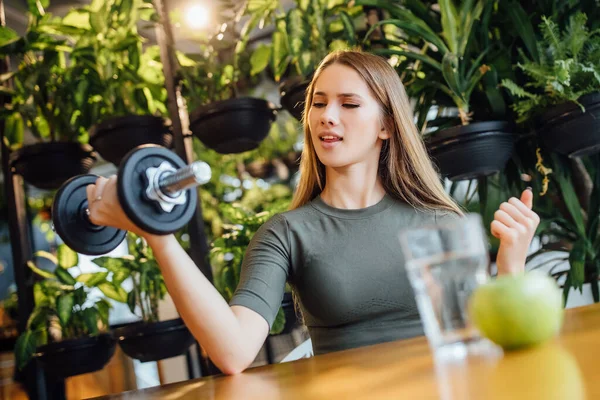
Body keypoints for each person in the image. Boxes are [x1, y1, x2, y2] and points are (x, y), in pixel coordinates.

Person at [85, 50, 540, 374]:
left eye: (348, 104)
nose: (326, 116)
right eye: (319, 103)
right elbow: (232, 352)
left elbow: (485, 338)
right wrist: (158, 236)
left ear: (386, 124)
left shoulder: (441, 220)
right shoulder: (286, 234)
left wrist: (511, 260)